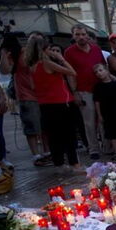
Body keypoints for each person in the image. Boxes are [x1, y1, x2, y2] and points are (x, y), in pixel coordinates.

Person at [26, 40, 82, 172]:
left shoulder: (33, 66)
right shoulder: (47, 63)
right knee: (68, 134)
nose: (52, 52)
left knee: (54, 136)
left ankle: (59, 164)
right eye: (50, 49)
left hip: (45, 104)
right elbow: (72, 72)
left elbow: (32, 86)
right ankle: (74, 164)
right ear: (44, 50)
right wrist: (61, 59)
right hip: (60, 102)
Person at [0, 33, 49, 165]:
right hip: (26, 95)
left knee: (44, 125)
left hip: (42, 94)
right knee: (31, 126)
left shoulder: (38, 53)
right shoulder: (16, 54)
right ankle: (36, 155)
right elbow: (4, 70)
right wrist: (3, 53)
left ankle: (47, 152)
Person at [64, 24, 107, 159]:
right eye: (77, 34)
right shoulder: (69, 52)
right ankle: (93, 149)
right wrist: (74, 92)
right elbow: (69, 74)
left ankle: (107, 147)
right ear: (73, 36)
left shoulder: (96, 49)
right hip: (83, 90)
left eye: (83, 34)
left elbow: (103, 66)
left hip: (100, 88)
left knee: (103, 119)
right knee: (89, 121)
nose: (81, 37)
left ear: (87, 35)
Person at [91, 63, 116, 158]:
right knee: (111, 133)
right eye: (96, 72)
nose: (99, 73)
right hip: (106, 112)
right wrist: (99, 115)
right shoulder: (98, 86)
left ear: (106, 70)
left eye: (100, 70)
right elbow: (97, 102)